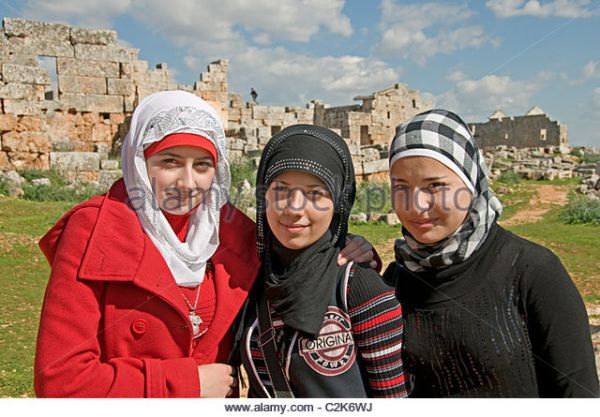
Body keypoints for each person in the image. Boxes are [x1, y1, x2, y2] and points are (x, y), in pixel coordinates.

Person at [34, 91, 374, 398]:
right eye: (169, 162)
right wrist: (186, 384)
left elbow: (297, 253)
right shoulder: (94, 232)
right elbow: (60, 379)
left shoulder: (233, 231)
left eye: (202, 165)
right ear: (140, 161)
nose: (187, 182)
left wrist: (345, 245)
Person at [384, 108, 599, 398]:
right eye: (401, 187)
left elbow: (579, 394)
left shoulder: (533, 271)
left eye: (435, 185)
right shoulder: (397, 278)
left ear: (471, 183)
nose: (416, 205)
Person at [239, 124, 408, 398]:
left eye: (315, 194)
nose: (294, 208)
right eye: (280, 190)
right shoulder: (248, 278)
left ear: (339, 202)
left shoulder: (359, 286)